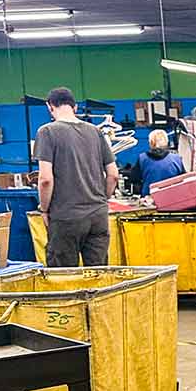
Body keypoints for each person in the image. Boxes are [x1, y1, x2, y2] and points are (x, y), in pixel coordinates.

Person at [34, 87, 116, 266]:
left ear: (50, 107)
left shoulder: (46, 132)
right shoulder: (96, 131)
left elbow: (45, 179)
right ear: (75, 107)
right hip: (98, 217)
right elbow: (113, 175)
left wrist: (45, 209)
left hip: (65, 217)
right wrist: (102, 200)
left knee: (64, 279)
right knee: (99, 277)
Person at [135, 129, 185, 193]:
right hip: (173, 198)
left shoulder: (142, 158)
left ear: (151, 142)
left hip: (149, 199)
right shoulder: (176, 159)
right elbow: (183, 181)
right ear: (166, 142)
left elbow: (134, 180)